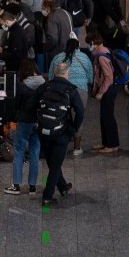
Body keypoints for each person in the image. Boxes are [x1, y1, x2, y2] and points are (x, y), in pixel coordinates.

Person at [35, 62, 85, 207]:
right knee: (55, 164)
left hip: (43, 131)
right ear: (67, 74)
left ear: (54, 73)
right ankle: (47, 197)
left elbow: (32, 104)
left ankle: (62, 187)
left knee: (52, 162)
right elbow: (80, 112)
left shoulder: (45, 87)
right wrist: (73, 128)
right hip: (61, 132)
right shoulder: (71, 90)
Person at [4, 58, 45, 196]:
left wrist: (13, 117)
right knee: (35, 152)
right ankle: (32, 186)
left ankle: (16, 185)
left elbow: (16, 105)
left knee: (19, 150)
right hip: (38, 122)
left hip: (24, 121)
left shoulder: (22, 86)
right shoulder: (44, 83)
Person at [46, 36, 92, 156]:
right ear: (78, 47)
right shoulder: (84, 57)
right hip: (80, 90)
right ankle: (77, 147)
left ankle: (62, 145)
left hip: (62, 90)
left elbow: (51, 77)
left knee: (62, 116)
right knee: (79, 116)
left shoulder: (58, 58)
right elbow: (90, 77)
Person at [88, 30, 121, 153]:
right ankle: (106, 142)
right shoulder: (103, 51)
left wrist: (101, 92)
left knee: (108, 116)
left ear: (93, 43)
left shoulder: (101, 56)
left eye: (89, 43)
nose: (88, 46)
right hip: (108, 87)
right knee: (104, 116)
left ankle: (112, 145)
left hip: (109, 88)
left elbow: (109, 77)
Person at [42, 0, 73, 69]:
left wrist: (45, 47)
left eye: (43, 8)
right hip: (69, 50)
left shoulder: (52, 17)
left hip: (57, 53)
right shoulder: (66, 13)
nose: (42, 10)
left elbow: (52, 38)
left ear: (48, 8)